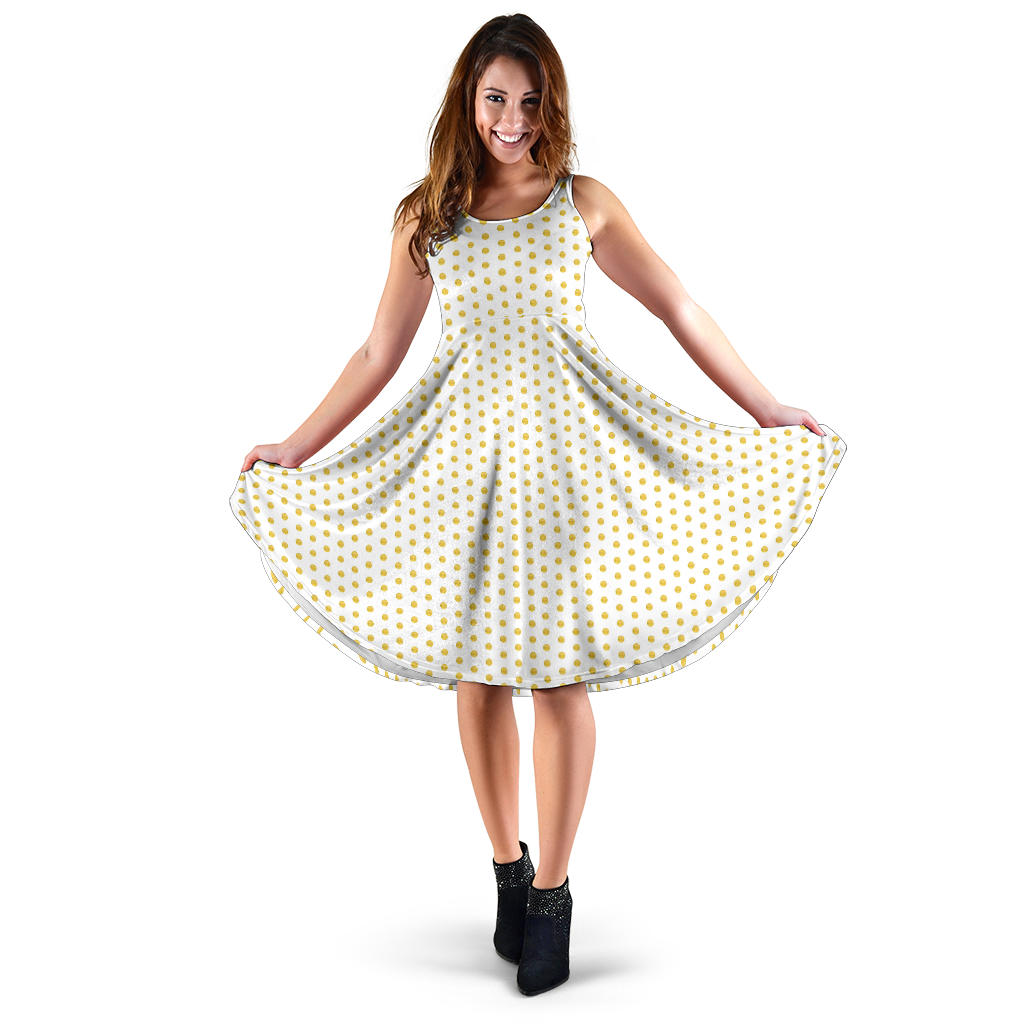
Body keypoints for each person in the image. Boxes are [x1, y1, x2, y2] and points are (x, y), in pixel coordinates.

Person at [229, 13, 847, 997]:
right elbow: (379, 351)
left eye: (528, 100)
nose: (511, 119)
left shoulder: (582, 203)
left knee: (558, 680)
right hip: (461, 472)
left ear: (550, 104)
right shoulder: (427, 217)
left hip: (566, 471)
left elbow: (677, 304)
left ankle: (553, 894)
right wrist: (297, 445)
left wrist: (766, 407)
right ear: (466, 101)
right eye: (494, 99)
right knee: (477, 680)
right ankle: (507, 868)